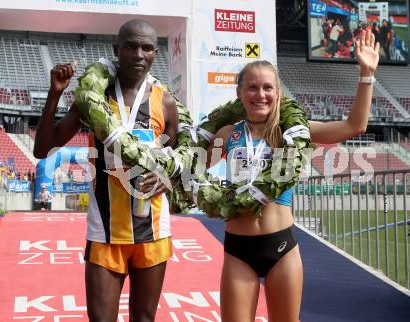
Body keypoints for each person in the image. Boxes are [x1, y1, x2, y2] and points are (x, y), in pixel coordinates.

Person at [206, 29, 379, 321]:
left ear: (278, 93)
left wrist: (366, 73)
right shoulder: (226, 134)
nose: (260, 94)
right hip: (237, 250)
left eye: (267, 88)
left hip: (282, 248)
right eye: (252, 87)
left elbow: (355, 126)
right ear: (239, 93)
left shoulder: (294, 131)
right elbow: (189, 167)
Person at [33, 19, 178, 322]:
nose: (139, 54)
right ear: (116, 49)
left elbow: (178, 163)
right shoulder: (94, 98)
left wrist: (169, 177)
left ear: (155, 54)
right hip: (105, 231)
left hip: (152, 231)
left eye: (147, 48)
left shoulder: (165, 102)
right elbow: (42, 150)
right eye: (131, 46)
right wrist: (55, 95)